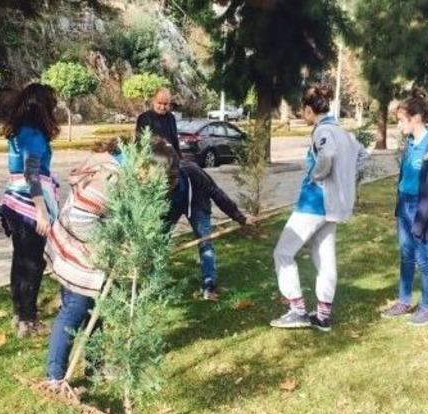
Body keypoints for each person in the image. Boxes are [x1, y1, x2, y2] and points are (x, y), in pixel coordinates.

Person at [44, 139, 179, 390]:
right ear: (145, 167)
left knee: (98, 312)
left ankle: (95, 367)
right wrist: (112, 245)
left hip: (94, 256)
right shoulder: (110, 179)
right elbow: (82, 219)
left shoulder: (128, 174)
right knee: (74, 310)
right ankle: (54, 376)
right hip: (80, 254)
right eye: (157, 178)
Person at [270, 85, 369, 332]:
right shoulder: (344, 132)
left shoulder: (323, 131)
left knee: (283, 253)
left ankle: (298, 310)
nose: (302, 115)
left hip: (313, 203)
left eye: (302, 111)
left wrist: (318, 174)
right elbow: (363, 156)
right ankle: (323, 316)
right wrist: (344, 183)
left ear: (308, 109)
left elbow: (327, 155)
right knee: (324, 258)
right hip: (334, 206)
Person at [380, 92, 428, 327]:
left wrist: (421, 221)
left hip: (421, 210)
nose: (399, 125)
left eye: (402, 120)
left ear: (416, 118)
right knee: (406, 256)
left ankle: (427, 308)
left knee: (423, 260)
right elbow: (404, 178)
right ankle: (404, 301)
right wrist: (399, 208)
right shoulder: (410, 143)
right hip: (405, 206)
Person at [0, 83, 60, 338]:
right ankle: (28, 319)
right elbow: (32, 174)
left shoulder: (18, 132)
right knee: (33, 262)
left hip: (12, 202)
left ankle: (19, 313)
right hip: (28, 206)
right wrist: (42, 212)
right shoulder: (33, 135)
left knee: (21, 260)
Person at [165, 150, 255, 301]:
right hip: (170, 207)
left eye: (172, 180)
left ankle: (209, 284)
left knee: (205, 242)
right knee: (158, 239)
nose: (170, 184)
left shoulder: (193, 172)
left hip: (197, 205)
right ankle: (152, 280)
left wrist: (240, 217)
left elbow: (217, 193)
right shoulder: (157, 179)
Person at [135, 88, 181, 154]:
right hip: (152, 158)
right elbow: (140, 141)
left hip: (170, 158)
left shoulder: (171, 117)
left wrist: (178, 155)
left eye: (165, 104)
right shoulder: (144, 118)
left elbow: (175, 139)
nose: (162, 107)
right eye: (159, 103)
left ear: (169, 103)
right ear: (154, 101)